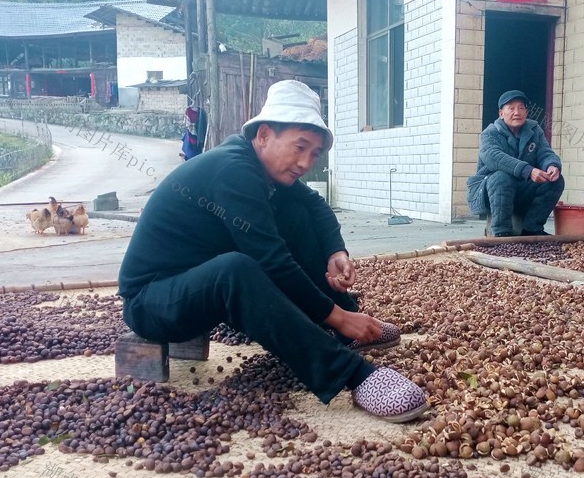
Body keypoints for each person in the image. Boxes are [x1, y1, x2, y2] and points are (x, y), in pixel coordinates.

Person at [118, 80, 430, 423]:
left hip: (195, 285)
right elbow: (272, 263)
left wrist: (334, 251)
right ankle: (352, 375)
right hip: (153, 301)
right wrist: (336, 315)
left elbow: (314, 204)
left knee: (295, 214)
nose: (305, 162)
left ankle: (345, 328)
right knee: (235, 270)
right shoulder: (233, 169)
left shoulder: (260, 167)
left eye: (314, 153)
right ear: (264, 135)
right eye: (299, 147)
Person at [466, 89, 564, 237]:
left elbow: (545, 152)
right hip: (492, 190)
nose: (516, 112)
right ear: (501, 113)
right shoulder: (490, 133)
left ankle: (532, 229)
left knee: (555, 181)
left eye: (521, 108)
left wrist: (552, 165)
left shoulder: (535, 130)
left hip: (521, 189)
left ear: (526, 112)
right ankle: (501, 232)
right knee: (501, 177)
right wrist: (528, 170)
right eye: (511, 108)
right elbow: (494, 158)